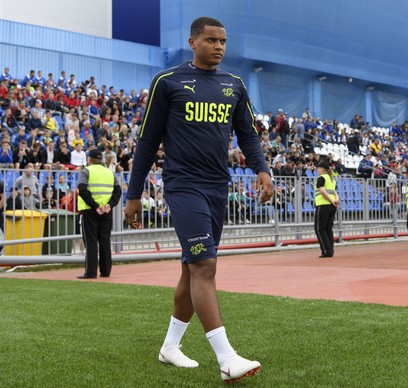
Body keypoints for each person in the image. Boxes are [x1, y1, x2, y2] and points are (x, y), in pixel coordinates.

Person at [122, 17, 274, 383]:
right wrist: (134, 194)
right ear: (193, 42)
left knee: (191, 268)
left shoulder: (234, 85)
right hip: (183, 185)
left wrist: (262, 170)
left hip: (217, 186)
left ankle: (170, 348)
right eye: (211, 40)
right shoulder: (168, 82)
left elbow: (248, 135)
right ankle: (227, 358)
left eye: (223, 41)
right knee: (205, 267)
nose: (219, 46)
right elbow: (147, 141)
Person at [76, 149, 122, 279]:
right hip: (106, 210)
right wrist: (109, 205)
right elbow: (118, 192)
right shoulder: (110, 173)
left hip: (90, 210)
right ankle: (106, 271)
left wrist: (95, 206)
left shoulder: (86, 171)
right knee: (105, 240)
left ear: (89, 159)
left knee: (91, 241)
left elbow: (82, 190)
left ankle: (90, 272)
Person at [314, 161, 340, 258]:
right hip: (332, 206)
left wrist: (331, 200)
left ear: (322, 169)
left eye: (318, 168)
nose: (317, 170)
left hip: (323, 204)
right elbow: (335, 192)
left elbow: (322, 191)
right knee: (328, 229)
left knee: (320, 228)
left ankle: (326, 251)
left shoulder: (321, 178)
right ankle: (330, 250)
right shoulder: (332, 179)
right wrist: (335, 200)